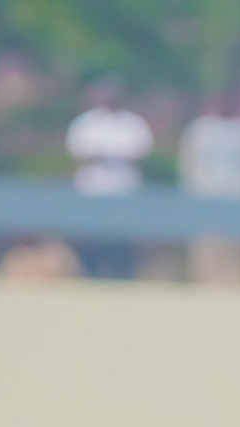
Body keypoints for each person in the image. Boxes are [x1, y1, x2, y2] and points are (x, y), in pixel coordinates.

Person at [65, 77, 151, 279]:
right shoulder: (86, 122)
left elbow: (139, 152)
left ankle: (121, 276)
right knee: (91, 238)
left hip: (123, 190)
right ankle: (90, 275)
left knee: (121, 239)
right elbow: (80, 153)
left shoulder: (133, 123)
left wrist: (106, 156)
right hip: (92, 190)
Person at [180, 101, 240, 285]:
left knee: (233, 244)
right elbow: (188, 164)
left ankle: (232, 284)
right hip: (205, 196)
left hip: (237, 198)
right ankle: (203, 283)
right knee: (206, 243)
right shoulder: (200, 130)